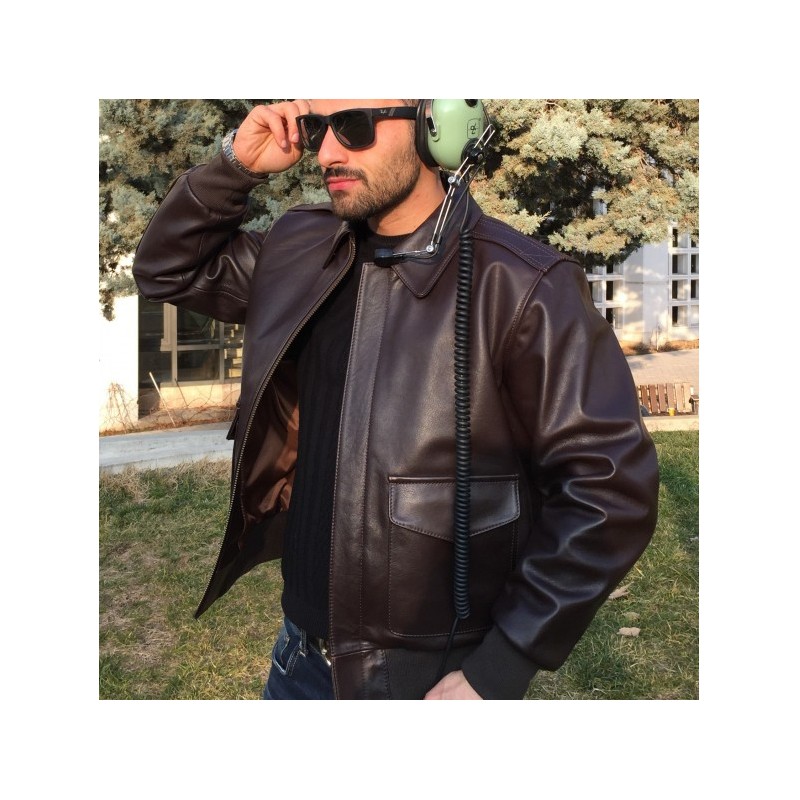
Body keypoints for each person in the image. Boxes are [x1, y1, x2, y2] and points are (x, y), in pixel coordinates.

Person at [133, 99, 659, 700]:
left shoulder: (522, 285)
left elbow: (609, 487)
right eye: (317, 129)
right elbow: (167, 268)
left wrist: (501, 666)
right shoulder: (300, 248)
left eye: (353, 126)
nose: (327, 153)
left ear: (434, 125)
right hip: (298, 658)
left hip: (426, 678)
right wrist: (235, 165)